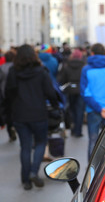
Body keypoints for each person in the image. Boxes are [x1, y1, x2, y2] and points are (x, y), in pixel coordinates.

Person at [5, 44, 59, 190]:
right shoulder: (41, 71)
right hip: (38, 113)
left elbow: (8, 93)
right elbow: (50, 92)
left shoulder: (13, 71)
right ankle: (34, 172)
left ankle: (26, 180)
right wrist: (55, 105)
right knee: (41, 142)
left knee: (25, 147)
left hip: (19, 115)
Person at [57, 48, 86, 137]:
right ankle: (78, 130)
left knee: (71, 109)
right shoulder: (84, 66)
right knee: (80, 110)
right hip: (81, 89)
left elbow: (61, 79)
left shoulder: (67, 66)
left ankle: (73, 127)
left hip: (70, 89)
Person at [0, 50, 17, 141]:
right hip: (16, 93)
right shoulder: (17, 67)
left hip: (5, 93)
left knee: (8, 112)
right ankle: (15, 126)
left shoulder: (2, 68)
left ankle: (10, 130)